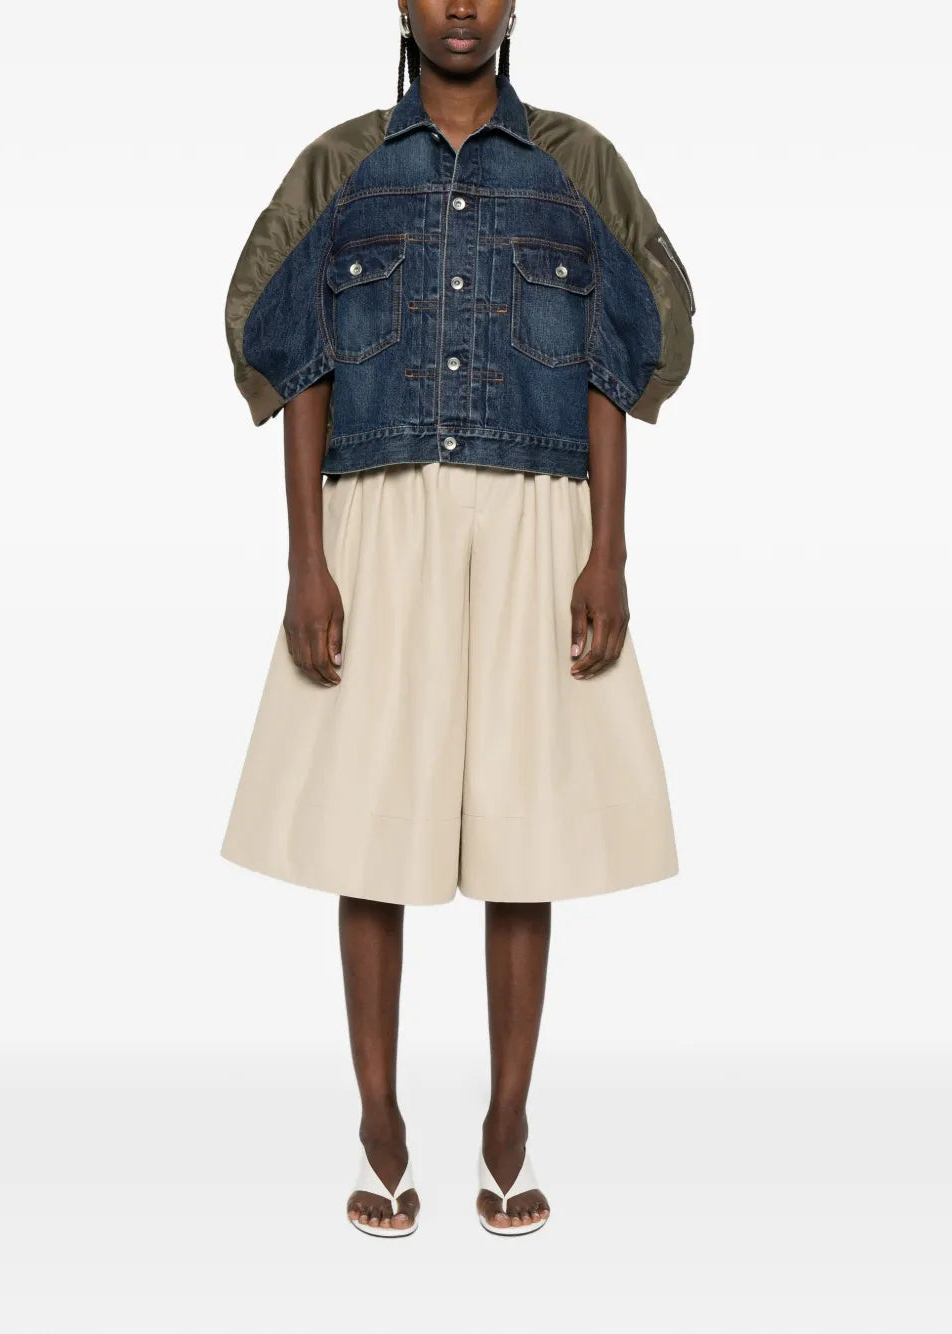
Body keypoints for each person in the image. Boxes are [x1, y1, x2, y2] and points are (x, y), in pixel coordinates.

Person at [220, 0, 695, 1238]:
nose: (461, 7)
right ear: (401, 2)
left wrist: (607, 551)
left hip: (539, 517)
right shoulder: (341, 165)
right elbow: (295, 356)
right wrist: (307, 561)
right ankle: (378, 1118)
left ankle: (507, 1118)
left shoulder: (576, 164)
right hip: (381, 519)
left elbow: (618, 357)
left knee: (525, 830)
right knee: (370, 827)